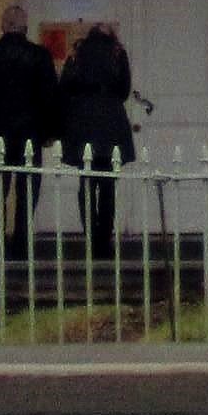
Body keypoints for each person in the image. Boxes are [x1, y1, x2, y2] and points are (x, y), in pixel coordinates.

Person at [0, 4, 61, 253]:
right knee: (27, 189)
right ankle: (22, 240)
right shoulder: (39, 56)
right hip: (30, 132)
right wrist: (47, 130)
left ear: (3, 26)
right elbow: (50, 97)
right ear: (25, 27)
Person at [57, 17, 139, 255]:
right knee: (108, 184)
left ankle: (91, 235)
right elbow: (124, 89)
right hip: (111, 122)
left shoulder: (77, 54)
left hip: (83, 122)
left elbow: (66, 85)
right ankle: (104, 238)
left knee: (86, 182)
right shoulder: (117, 53)